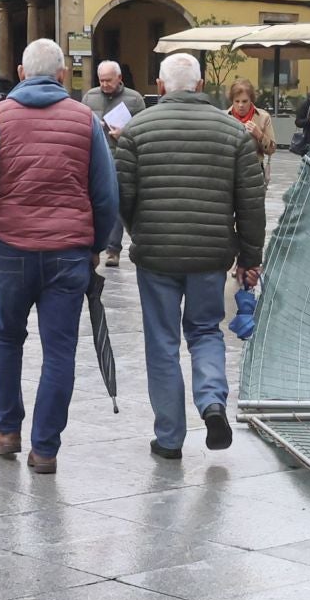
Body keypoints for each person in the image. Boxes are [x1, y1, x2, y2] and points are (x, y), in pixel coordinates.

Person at [0, 38, 118, 475]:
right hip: (68, 252)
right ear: (63, 75)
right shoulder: (86, 119)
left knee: (7, 338)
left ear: (23, 74)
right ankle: (44, 450)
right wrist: (96, 245)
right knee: (59, 351)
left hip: (10, 248)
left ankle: (7, 430)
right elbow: (106, 194)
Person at [113, 52, 267, 460]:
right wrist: (250, 257)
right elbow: (251, 203)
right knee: (205, 331)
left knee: (162, 343)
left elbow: (122, 197)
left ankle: (168, 439)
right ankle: (212, 402)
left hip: (156, 257)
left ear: (161, 86)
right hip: (210, 255)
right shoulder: (232, 133)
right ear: (201, 86)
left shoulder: (135, 130)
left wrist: (139, 231)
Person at [81, 61, 144, 266]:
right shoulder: (90, 97)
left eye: (109, 80)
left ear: (119, 78)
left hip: (122, 157)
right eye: (101, 80)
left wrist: (124, 134)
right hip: (96, 157)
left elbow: (142, 130)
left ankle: (113, 249)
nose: (105, 84)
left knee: (116, 204)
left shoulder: (134, 99)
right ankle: (93, 245)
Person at [228, 79, 276, 172]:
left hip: (254, 169)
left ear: (251, 99)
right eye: (237, 101)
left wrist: (259, 135)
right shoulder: (224, 116)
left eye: (245, 101)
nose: (240, 105)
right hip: (229, 170)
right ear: (232, 100)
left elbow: (271, 150)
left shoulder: (263, 117)